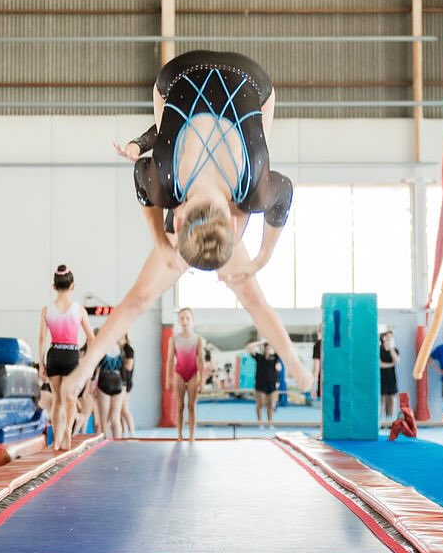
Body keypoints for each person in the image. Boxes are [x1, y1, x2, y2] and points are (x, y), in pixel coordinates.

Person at [62, 50, 314, 409]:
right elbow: (140, 172)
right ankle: (293, 361)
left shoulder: (247, 188)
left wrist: (260, 257)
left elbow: (283, 192)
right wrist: (256, 257)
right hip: (189, 78)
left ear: (177, 222)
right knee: (248, 292)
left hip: (234, 78)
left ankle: (84, 368)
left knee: (143, 296)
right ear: (179, 221)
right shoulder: (170, 181)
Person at [37, 265, 94, 451]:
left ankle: (56, 439)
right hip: (71, 354)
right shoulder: (79, 310)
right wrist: (88, 363)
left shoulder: (46, 310)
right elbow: (92, 339)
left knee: (57, 400)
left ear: (54, 286)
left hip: (54, 354)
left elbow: (41, 339)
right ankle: (68, 431)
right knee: (70, 398)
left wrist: (41, 364)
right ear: (73, 286)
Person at [166, 307, 204, 441]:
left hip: (193, 373)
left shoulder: (198, 339)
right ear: (178, 321)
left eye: (187, 318)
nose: (185, 321)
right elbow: (170, 360)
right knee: (180, 405)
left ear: (192, 320)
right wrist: (167, 379)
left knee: (191, 406)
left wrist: (202, 381)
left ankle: (192, 436)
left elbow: (201, 361)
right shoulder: (174, 339)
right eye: (182, 318)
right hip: (179, 373)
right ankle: (180, 435)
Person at [247, 339, 283, 427]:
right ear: (263, 348)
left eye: (269, 348)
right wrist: (261, 342)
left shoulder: (275, 357)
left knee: (270, 404)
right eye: (266, 348)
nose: (268, 349)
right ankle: (260, 423)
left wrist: (272, 342)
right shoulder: (259, 357)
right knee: (260, 404)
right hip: (260, 384)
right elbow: (249, 348)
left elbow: (282, 348)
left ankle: (270, 422)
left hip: (272, 383)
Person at [95, 341, 127, 439]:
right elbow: (125, 370)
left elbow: (96, 369)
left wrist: (92, 385)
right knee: (115, 418)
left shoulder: (102, 347)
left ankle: (105, 445)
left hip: (105, 380)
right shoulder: (120, 348)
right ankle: (118, 442)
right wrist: (125, 386)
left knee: (103, 421)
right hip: (118, 381)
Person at [379, 329, 400, 425]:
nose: (389, 339)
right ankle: (380, 420)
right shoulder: (378, 349)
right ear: (383, 338)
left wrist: (390, 349)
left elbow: (397, 361)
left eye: (391, 338)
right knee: (382, 399)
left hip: (391, 377)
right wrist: (391, 364)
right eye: (387, 337)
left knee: (391, 399)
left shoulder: (394, 350)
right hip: (381, 377)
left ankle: (390, 421)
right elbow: (380, 364)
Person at [119, 333, 136, 436]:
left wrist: (117, 363)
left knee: (124, 408)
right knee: (120, 410)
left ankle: (132, 432)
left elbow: (129, 366)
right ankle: (124, 431)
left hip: (126, 381)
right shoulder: (121, 348)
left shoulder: (128, 349)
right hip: (122, 380)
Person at [309, 323, 323, 406]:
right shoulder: (338, 344)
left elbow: (316, 369)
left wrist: (313, 387)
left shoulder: (318, 345)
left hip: (325, 383)